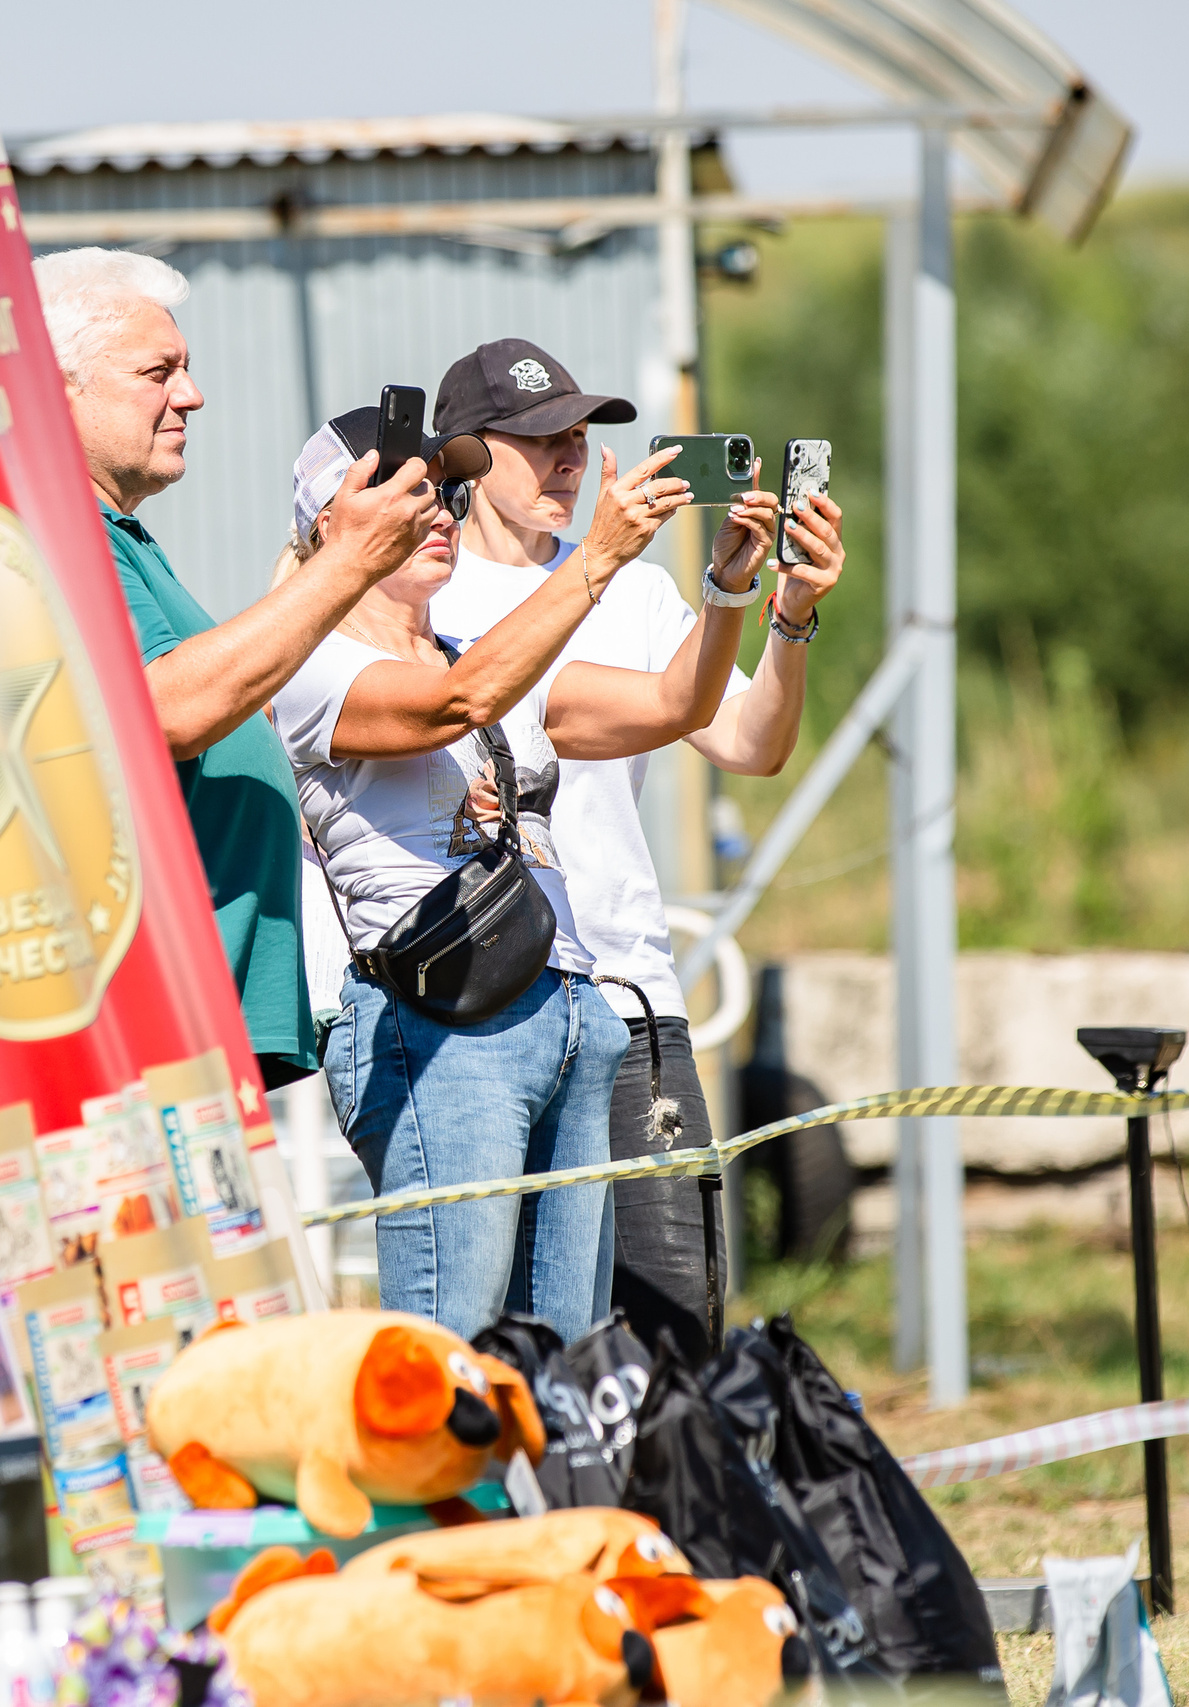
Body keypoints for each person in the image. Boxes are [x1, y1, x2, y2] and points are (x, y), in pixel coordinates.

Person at [273, 405, 777, 1341]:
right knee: (456, 1354)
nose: (439, 514)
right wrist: (597, 559)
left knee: (567, 1360)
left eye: (446, 493)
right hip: (441, 1027)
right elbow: (455, 704)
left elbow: (681, 702)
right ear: (328, 526)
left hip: (572, 1014)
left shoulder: (478, 656)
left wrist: (736, 595)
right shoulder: (308, 663)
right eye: (409, 493)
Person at [425, 339, 846, 1355]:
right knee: (499, 1336)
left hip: (628, 998)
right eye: (539, 440)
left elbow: (750, 743)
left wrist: (784, 615)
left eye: (579, 436)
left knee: (674, 1330)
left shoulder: (642, 595)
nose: (569, 459)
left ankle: (654, 1519)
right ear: (467, 457)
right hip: (478, 1012)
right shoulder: (418, 596)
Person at [32, 248, 444, 1090]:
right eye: (159, 371)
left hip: (191, 1034)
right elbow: (168, 710)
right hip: (141, 1037)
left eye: (187, 369)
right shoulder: (59, 526)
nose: (192, 394)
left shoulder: (121, 540)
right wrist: (352, 562)